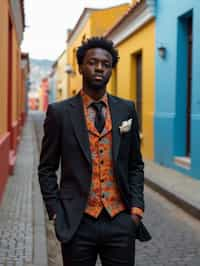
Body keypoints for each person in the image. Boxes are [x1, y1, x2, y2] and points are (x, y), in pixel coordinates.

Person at [38, 36, 151, 266]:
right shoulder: (59, 113)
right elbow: (47, 168)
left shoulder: (126, 109)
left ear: (111, 70)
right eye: (92, 62)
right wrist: (55, 211)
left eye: (106, 64)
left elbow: (135, 164)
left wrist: (136, 209)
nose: (99, 67)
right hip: (77, 222)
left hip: (120, 220)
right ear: (80, 67)